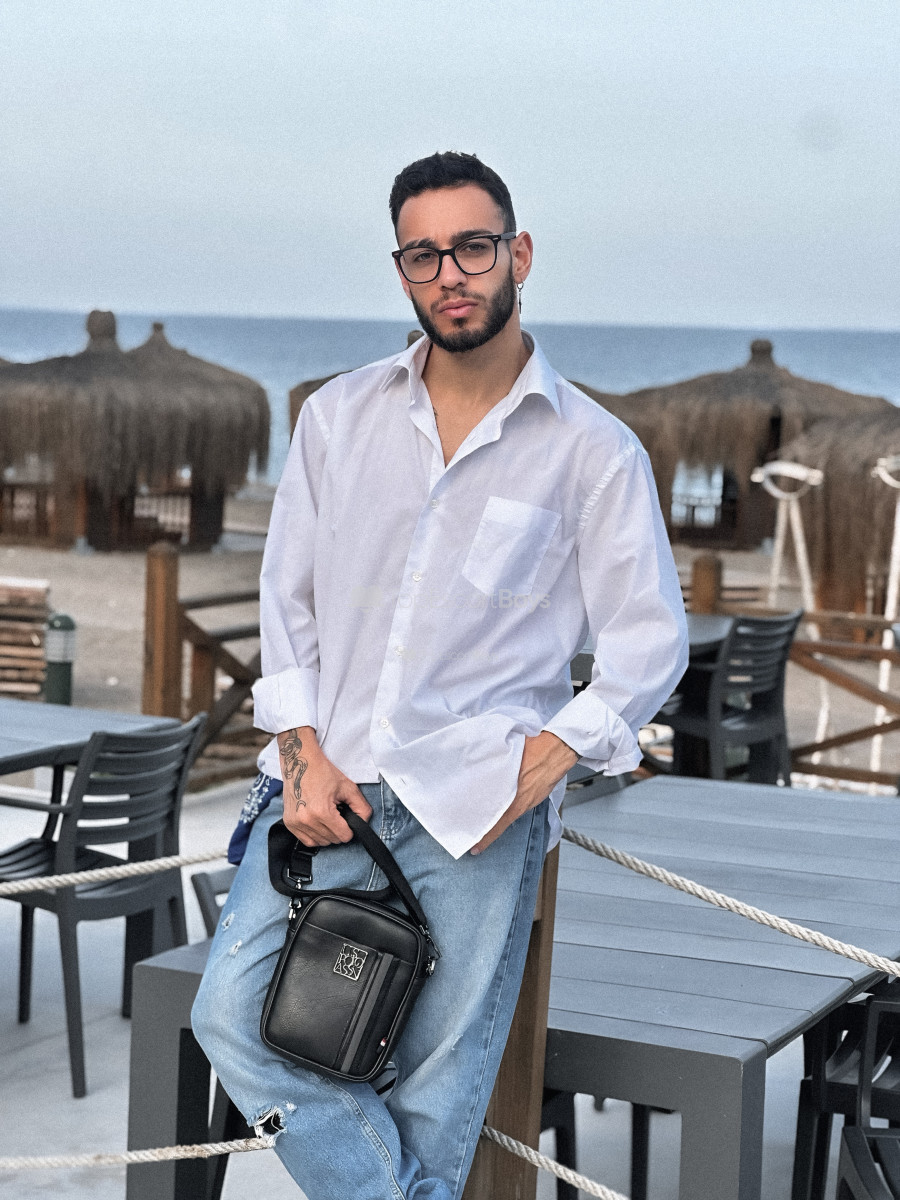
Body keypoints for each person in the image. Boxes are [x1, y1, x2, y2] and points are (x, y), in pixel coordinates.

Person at [192, 150, 688, 1199]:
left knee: (433, 1090)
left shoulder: (595, 451)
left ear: (520, 254)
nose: (450, 273)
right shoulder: (337, 417)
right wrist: (301, 751)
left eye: (472, 247)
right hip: (328, 792)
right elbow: (289, 599)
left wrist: (544, 762)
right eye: (423, 255)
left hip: (480, 810)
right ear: (402, 270)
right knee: (232, 1019)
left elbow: (649, 643)